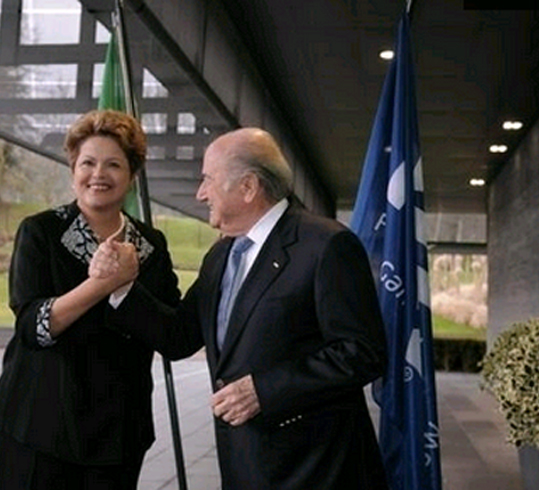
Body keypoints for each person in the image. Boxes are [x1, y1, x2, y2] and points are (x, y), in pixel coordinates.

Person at [94, 128, 390, 489]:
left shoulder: (326, 245)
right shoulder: (220, 255)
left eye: (208, 179)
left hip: (315, 468)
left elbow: (362, 353)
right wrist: (122, 287)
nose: (200, 193)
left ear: (248, 187)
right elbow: (180, 335)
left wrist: (264, 391)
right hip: (246, 463)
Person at [0, 109, 181, 489]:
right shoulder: (41, 230)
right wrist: (102, 284)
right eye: (87, 163)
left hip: (119, 428)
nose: (98, 174)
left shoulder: (151, 245)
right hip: (39, 423)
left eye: (113, 164)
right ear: (73, 169)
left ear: (132, 175)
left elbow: (171, 333)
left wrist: (128, 290)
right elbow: (32, 328)